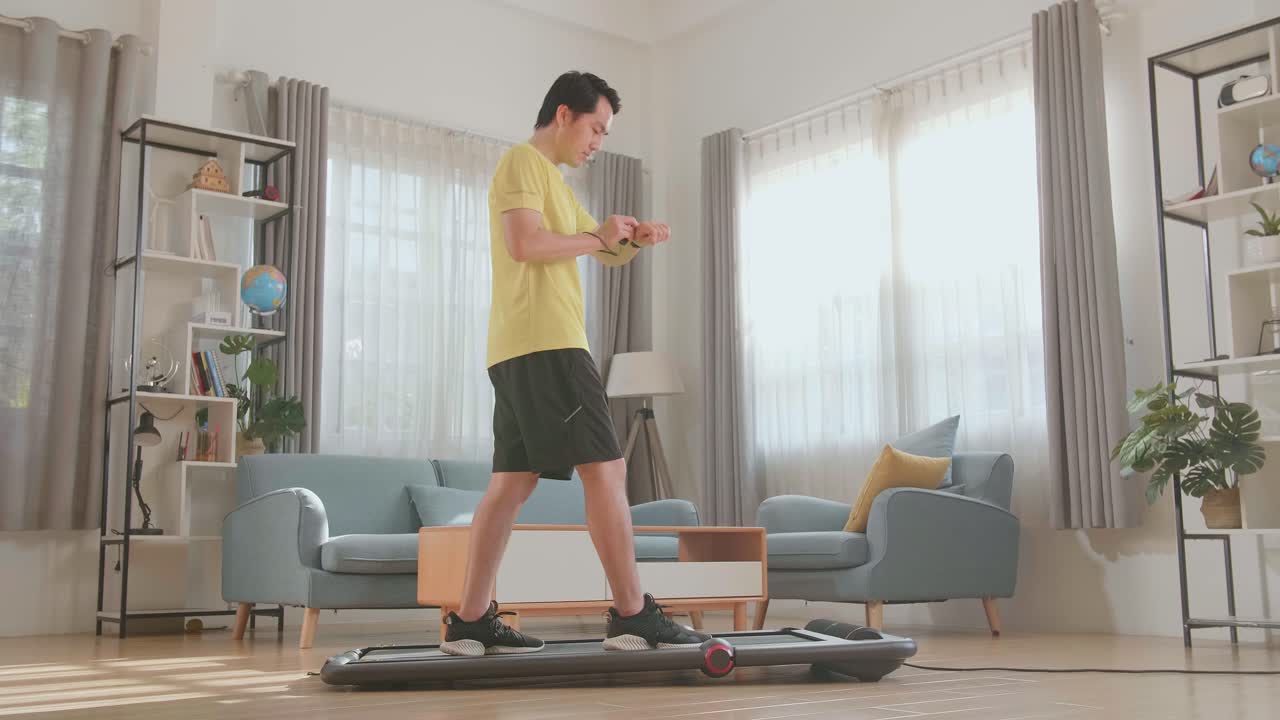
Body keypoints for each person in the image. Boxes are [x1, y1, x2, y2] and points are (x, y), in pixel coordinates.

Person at [438, 71, 712, 657]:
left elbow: (594, 252)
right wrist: (597, 236)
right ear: (563, 114)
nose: (597, 143)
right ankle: (634, 613)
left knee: (511, 484)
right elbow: (526, 245)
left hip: (520, 347)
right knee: (607, 472)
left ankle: (470, 620)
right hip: (549, 344)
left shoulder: (558, 186)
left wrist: (632, 239)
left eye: (605, 135)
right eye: (595, 128)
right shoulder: (523, 163)